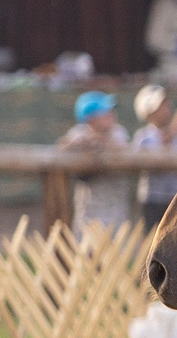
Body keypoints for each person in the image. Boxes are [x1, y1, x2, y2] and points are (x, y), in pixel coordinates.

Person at [58, 90, 136, 234]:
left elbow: (121, 146)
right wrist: (85, 142)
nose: (111, 115)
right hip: (89, 208)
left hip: (115, 206)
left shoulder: (118, 131)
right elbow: (63, 146)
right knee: (87, 247)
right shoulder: (79, 132)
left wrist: (98, 142)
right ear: (91, 118)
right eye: (105, 112)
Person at [130, 83, 177, 224]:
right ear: (148, 114)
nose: (166, 108)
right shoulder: (143, 137)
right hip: (152, 199)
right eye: (160, 106)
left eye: (165, 104)